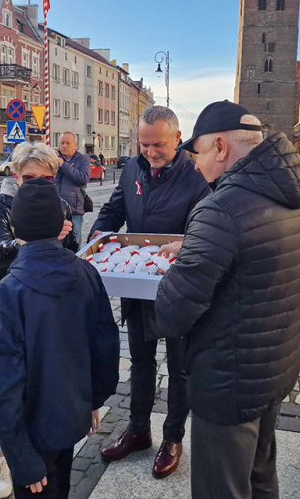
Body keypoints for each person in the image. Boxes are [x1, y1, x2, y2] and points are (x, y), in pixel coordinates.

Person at [153, 100, 300, 499]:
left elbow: (174, 312)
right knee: (261, 476)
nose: (194, 163)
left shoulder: (221, 209)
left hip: (227, 378)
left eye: (199, 152)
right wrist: (199, 245)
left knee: (222, 486)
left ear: (222, 148)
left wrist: (180, 265)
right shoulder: (297, 195)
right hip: (273, 365)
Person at [90, 105, 210, 479]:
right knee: (140, 362)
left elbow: (209, 231)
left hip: (179, 288)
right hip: (137, 286)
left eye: (158, 144)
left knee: (180, 368)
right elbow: (115, 208)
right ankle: (138, 430)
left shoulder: (198, 175)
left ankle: (173, 437)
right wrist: (100, 231)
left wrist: (186, 245)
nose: (150, 152)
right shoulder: (132, 168)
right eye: (144, 144)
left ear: (177, 137)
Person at [0, 178, 119, 499]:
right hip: (72, 416)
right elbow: (105, 347)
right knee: (61, 486)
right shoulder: (87, 273)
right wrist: (94, 401)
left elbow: (5, 385)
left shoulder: (8, 292)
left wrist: (18, 456)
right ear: (61, 224)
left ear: (15, 230)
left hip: (31, 434)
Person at [0, 141, 77, 499]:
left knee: (44, 385)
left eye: (48, 178)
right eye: (31, 177)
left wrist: (62, 245)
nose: (39, 184)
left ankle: (42, 445)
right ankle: (0, 457)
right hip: (2, 303)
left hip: (45, 312)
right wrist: (33, 242)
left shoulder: (60, 204)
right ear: (16, 176)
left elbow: (71, 252)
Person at [55, 132, 91, 239]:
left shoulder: (82, 159)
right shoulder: (54, 157)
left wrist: (63, 165)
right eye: (62, 143)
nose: (64, 146)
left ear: (75, 145)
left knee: (75, 241)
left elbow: (83, 178)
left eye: (68, 143)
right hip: (55, 209)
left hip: (74, 209)